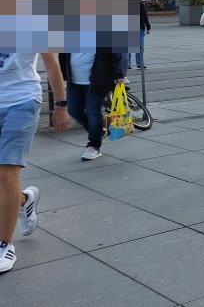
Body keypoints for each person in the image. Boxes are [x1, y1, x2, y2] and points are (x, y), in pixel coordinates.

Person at [0, 53, 70, 273]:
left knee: (6, 173)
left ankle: (4, 245)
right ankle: (23, 200)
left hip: (22, 100)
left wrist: (61, 105)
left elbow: (51, 63)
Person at [58, 52, 125, 160]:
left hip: (97, 79)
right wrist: (60, 73)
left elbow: (115, 52)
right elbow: (63, 54)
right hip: (74, 80)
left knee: (93, 111)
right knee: (74, 110)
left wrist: (118, 73)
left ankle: (94, 145)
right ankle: (98, 132)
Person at [125, 0, 151, 71]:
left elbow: (144, 15)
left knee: (140, 46)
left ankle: (140, 64)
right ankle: (127, 64)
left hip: (139, 27)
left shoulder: (140, 4)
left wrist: (148, 26)